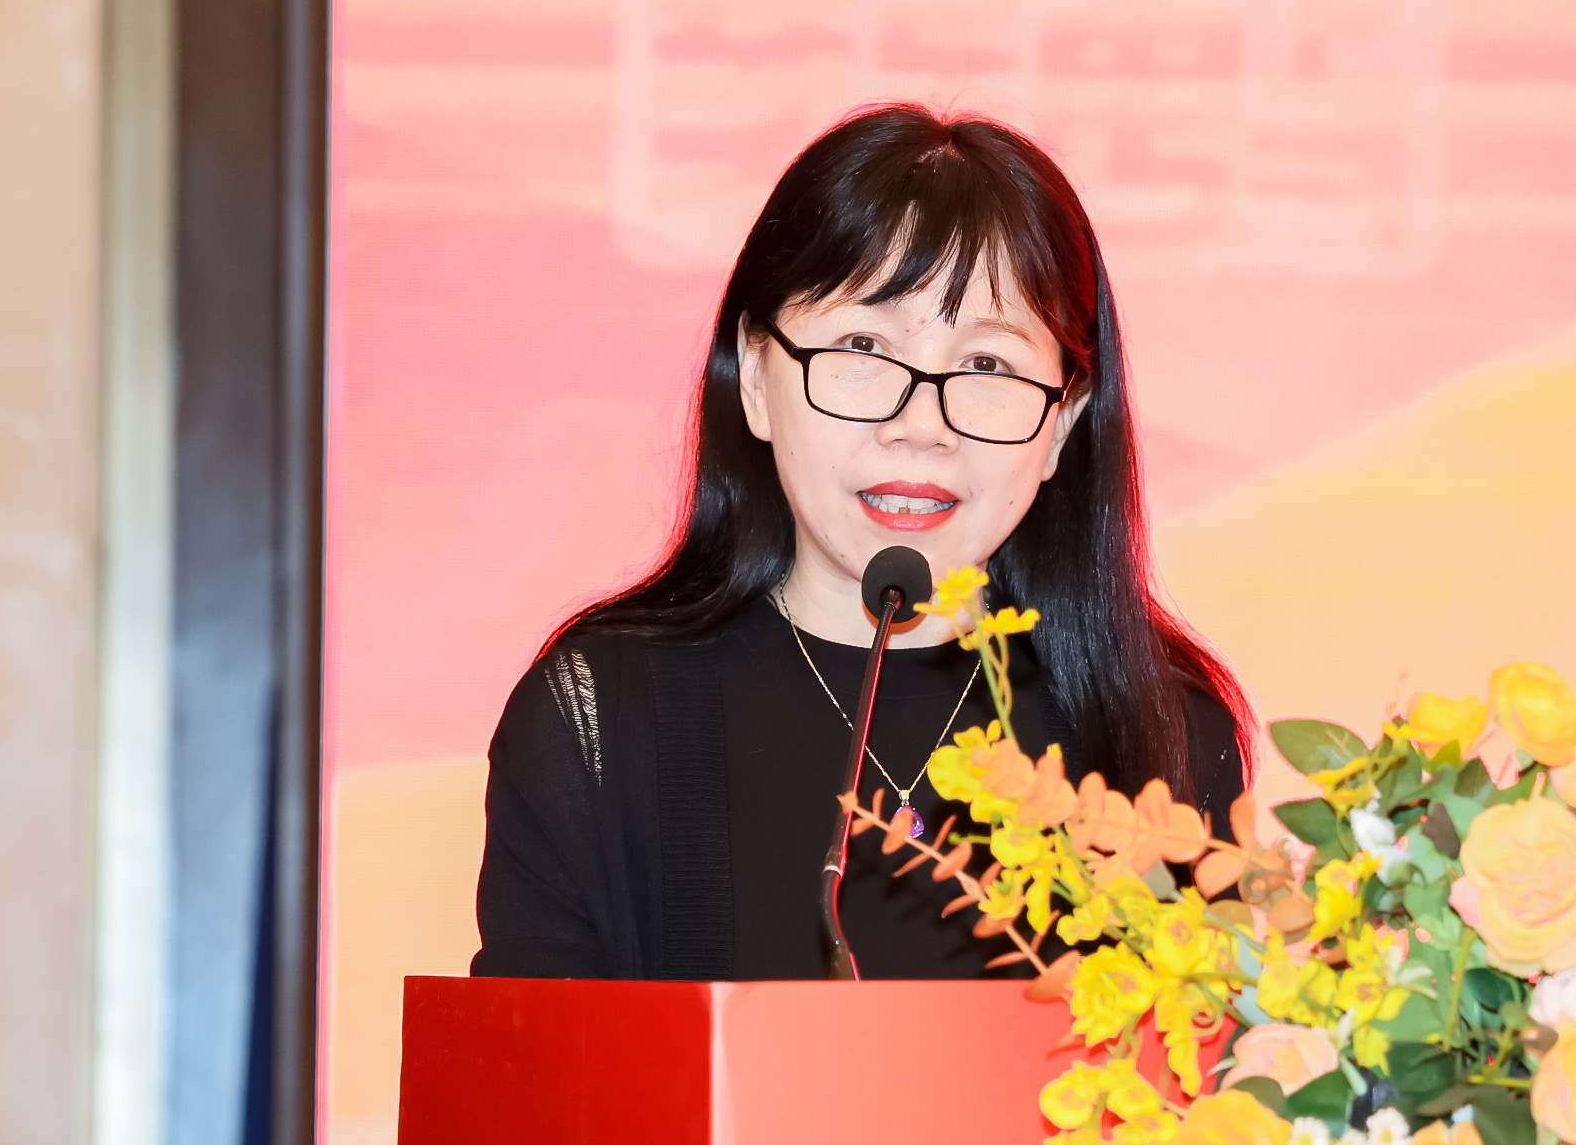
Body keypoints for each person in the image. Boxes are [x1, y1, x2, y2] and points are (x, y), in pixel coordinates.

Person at [470, 106, 1250, 981]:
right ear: (756, 377)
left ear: (1062, 424)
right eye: (863, 346)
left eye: (986, 365)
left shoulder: (1166, 733)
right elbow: (530, 1067)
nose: (921, 426)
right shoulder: (600, 719)